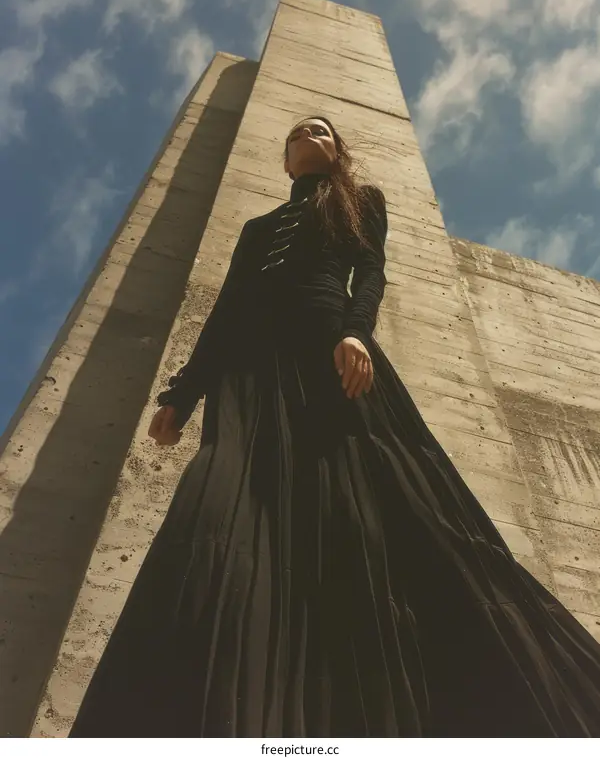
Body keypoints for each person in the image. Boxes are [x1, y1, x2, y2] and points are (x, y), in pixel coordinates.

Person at [69, 116, 600, 738]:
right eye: (298, 132)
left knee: (375, 514)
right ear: (287, 160)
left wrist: (355, 331)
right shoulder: (255, 228)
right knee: (214, 511)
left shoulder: (359, 202)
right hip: (248, 379)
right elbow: (229, 308)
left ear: (335, 153)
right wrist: (183, 393)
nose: (310, 135)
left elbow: (370, 272)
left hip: (329, 356)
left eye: (322, 131)